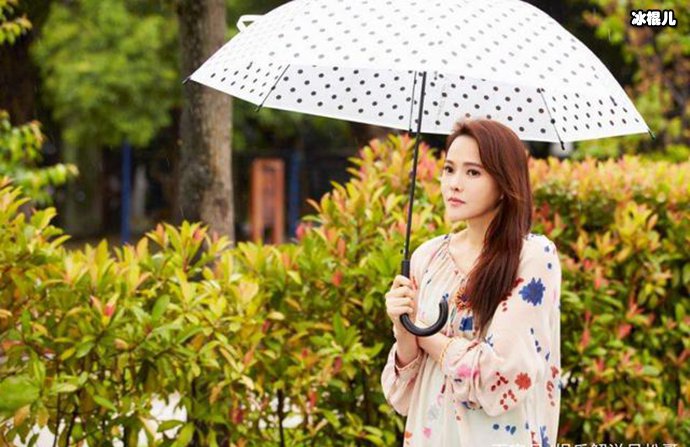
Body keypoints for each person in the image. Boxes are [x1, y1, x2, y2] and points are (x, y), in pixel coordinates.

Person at [381, 118, 562, 447]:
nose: (454, 184)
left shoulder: (532, 257)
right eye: (449, 169)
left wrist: (425, 336)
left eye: (473, 172)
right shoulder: (427, 257)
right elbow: (403, 396)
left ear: (504, 183)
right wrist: (404, 329)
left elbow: (500, 377)